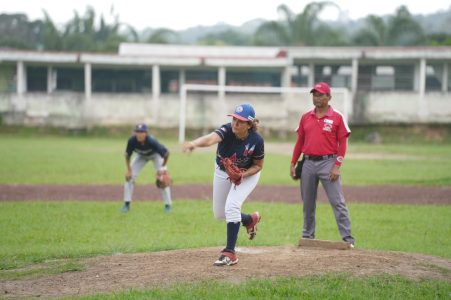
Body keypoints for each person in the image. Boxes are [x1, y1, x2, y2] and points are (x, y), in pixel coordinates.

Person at [182, 104, 264, 266]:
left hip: (247, 175)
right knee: (220, 213)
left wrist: (242, 175)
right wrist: (194, 144)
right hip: (222, 172)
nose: (235, 123)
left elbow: (258, 166)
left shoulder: (256, 140)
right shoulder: (227, 130)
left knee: (232, 206)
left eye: (240, 121)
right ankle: (248, 220)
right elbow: (211, 139)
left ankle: (230, 253)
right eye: (234, 119)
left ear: (249, 124)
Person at [290, 82, 355, 247]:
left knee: (337, 202)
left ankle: (348, 239)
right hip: (308, 163)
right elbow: (300, 142)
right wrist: (293, 162)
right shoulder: (306, 117)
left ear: (329, 97)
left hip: (329, 162)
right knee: (308, 203)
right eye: (314, 94)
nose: (316, 97)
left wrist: (337, 166)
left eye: (320, 95)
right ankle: (307, 236)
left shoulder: (337, 117)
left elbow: (343, 143)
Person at [121, 123, 172, 213]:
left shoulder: (152, 141)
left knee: (162, 179)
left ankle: (168, 205)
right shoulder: (132, 141)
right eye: (137, 132)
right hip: (141, 156)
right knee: (129, 177)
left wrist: (163, 168)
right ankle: (126, 204)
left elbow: (167, 153)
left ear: (146, 133)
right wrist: (129, 170)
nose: (139, 134)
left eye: (141, 132)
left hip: (155, 155)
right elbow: (127, 156)